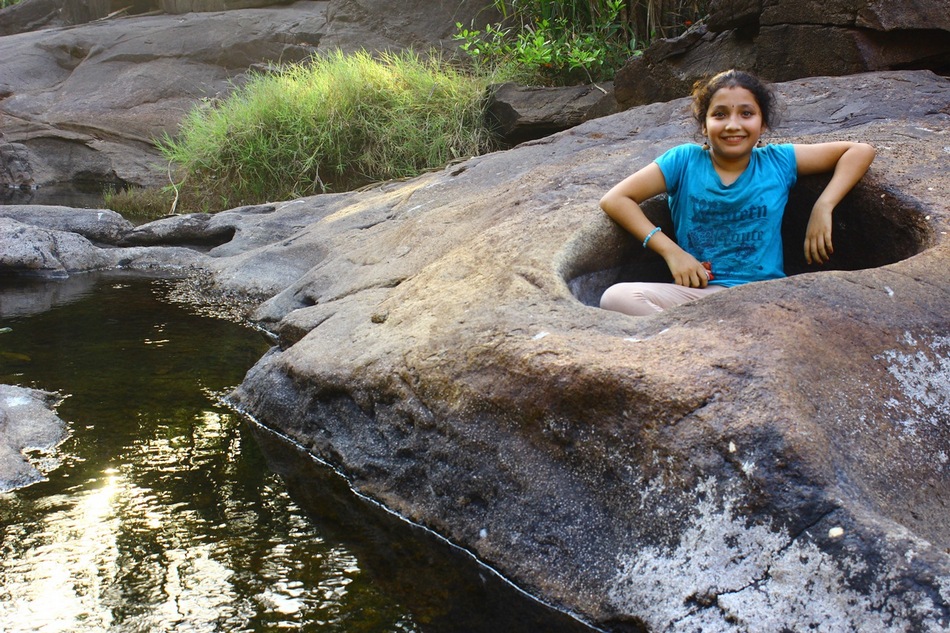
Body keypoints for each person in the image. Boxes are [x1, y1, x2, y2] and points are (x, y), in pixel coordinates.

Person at [599, 69, 875, 316]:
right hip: (700, 298)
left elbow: (859, 151)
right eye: (720, 114)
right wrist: (672, 252)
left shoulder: (777, 161)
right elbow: (616, 199)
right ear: (704, 125)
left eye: (746, 113)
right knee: (616, 297)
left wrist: (823, 205)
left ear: (762, 123)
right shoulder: (684, 161)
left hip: (764, 298)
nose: (733, 125)